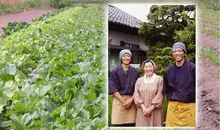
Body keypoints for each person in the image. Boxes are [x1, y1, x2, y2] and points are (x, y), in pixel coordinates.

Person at [162, 42, 196, 127]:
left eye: (180, 51)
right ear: (172, 54)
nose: (177, 53)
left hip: (189, 109)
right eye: (175, 51)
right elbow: (166, 90)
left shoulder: (193, 68)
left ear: (184, 53)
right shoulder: (167, 71)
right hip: (173, 109)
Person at [109, 49, 140, 126]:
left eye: (128, 56)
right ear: (121, 58)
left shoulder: (135, 72)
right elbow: (113, 89)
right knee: (119, 126)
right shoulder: (114, 72)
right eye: (124, 56)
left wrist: (131, 100)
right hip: (119, 101)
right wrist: (123, 101)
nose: (126, 58)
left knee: (132, 125)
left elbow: (137, 89)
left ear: (130, 58)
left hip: (131, 101)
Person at [134, 59, 164, 127]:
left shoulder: (159, 80)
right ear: (143, 68)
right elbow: (136, 94)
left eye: (150, 66)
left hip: (155, 111)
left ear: (154, 67)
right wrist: (144, 108)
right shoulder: (139, 80)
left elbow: (160, 94)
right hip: (142, 111)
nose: (148, 69)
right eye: (146, 67)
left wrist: (151, 108)